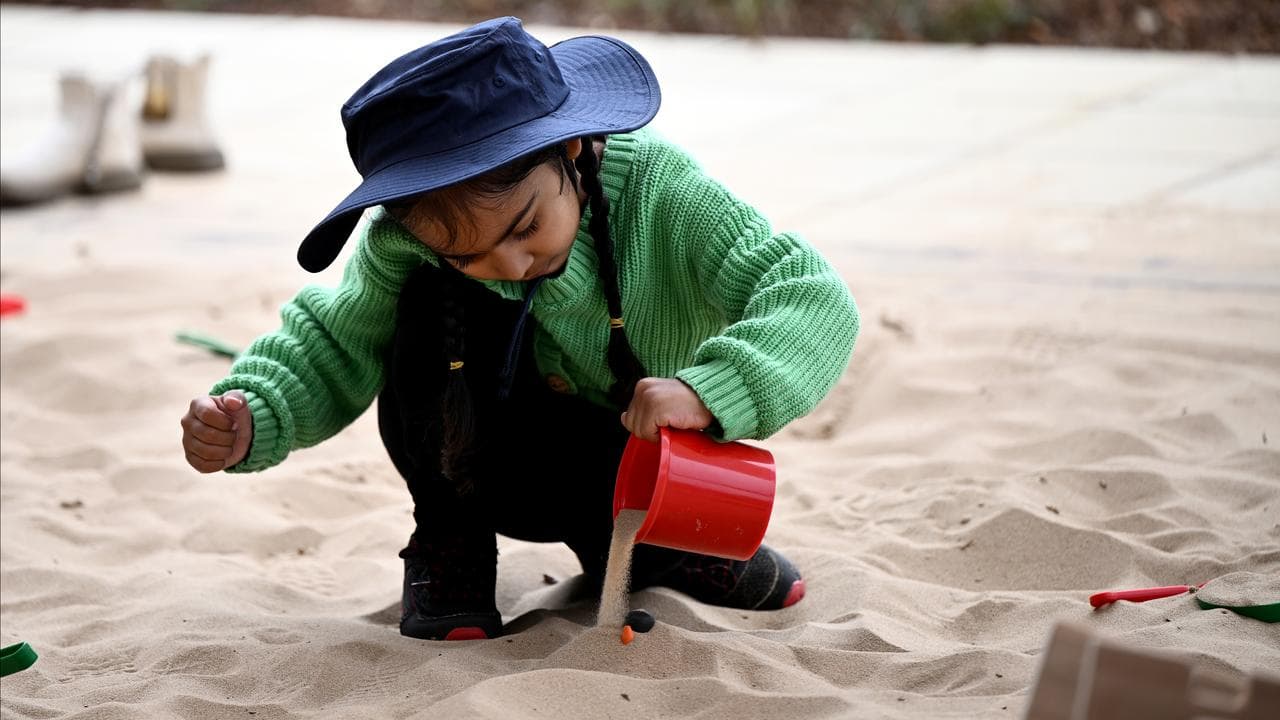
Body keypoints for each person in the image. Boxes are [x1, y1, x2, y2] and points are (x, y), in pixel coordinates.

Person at [179, 17, 859, 641]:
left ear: (569, 147)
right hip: (484, 455)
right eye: (465, 253)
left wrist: (712, 389)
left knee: (650, 533)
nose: (507, 264)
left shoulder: (663, 193)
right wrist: (256, 410)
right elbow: (335, 336)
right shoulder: (406, 245)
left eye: (526, 227)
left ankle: (666, 547)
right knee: (424, 303)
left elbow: (810, 295)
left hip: (643, 459)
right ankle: (453, 545)